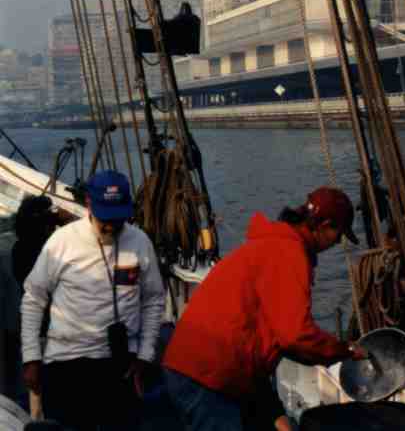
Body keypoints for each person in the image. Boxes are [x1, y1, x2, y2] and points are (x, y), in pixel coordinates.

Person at [163, 186, 369, 431]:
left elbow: (261, 343)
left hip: (192, 369)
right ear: (324, 226)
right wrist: (344, 349)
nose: (336, 244)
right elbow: (296, 336)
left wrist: (277, 417)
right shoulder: (290, 253)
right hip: (207, 377)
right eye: (338, 236)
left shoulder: (271, 245)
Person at [20, 169, 165, 431]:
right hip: (67, 361)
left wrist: (145, 355)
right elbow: (34, 297)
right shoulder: (62, 242)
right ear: (88, 204)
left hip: (122, 363)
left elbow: (154, 300)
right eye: (105, 219)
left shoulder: (140, 242)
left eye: (118, 219)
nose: (111, 226)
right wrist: (31, 357)